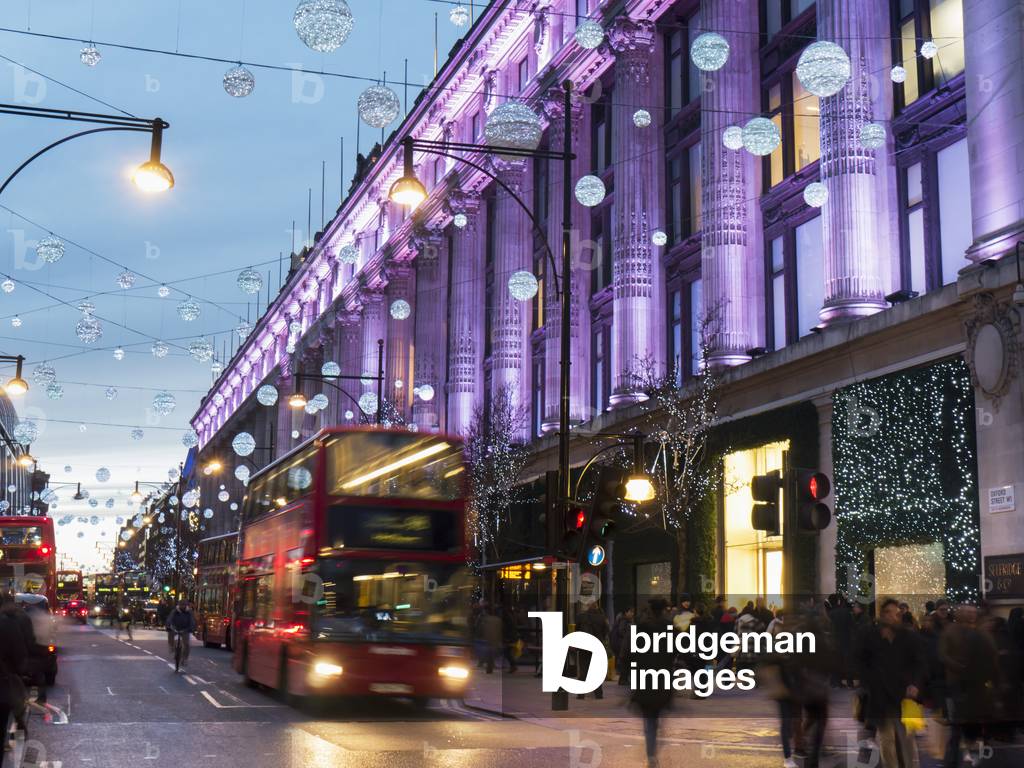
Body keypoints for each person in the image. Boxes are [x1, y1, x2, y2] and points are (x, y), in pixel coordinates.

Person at [856, 597, 925, 768]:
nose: (892, 617)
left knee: (906, 740)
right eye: (888, 613)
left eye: (896, 614)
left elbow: (920, 663)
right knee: (887, 740)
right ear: (881, 615)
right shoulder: (870, 636)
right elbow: (859, 661)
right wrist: (869, 682)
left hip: (904, 698)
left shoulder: (908, 637)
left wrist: (915, 684)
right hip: (880, 697)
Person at [629, 598, 674, 768]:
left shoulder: (641, 628)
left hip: (644, 677)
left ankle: (651, 753)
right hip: (663, 678)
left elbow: (629, 653)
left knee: (649, 719)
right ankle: (653, 750)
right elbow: (678, 649)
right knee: (657, 716)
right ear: (664, 610)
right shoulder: (669, 629)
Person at [576, 602, 609, 699]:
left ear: (587, 607)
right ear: (597, 607)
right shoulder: (602, 618)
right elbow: (606, 631)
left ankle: (581, 694)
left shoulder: (581, 617)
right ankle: (599, 694)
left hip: (584, 646)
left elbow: (577, 630)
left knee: (583, 670)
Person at [165, 601, 197, 668]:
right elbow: (169, 619)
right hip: (175, 628)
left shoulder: (189, 612)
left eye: (184, 605)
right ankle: (171, 646)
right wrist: (168, 626)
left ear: (186, 606)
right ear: (178, 605)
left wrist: (191, 628)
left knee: (187, 644)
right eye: (181, 605)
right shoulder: (174, 611)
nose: (182, 606)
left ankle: (185, 659)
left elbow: (192, 621)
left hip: (186, 629)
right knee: (170, 634)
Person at [610, 607, 634, 685]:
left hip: (620, 644)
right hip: (622, 644)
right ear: (626, 613)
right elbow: (621, 631)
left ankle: (623, 679)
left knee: (625, 662)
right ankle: (623, 680)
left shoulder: (623, 620)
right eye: (630, 612)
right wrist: (628, 636)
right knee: (626, 662)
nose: (632, 614)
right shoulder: (624, 620)